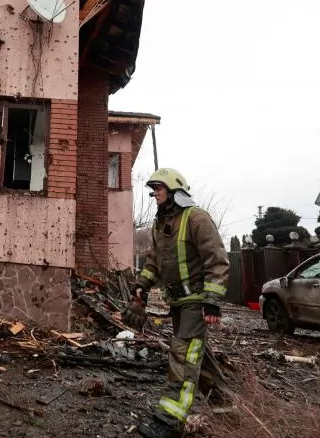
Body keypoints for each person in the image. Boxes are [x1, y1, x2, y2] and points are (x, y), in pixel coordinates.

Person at [122, 167, 230, 438]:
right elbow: (153, 261)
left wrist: (213, 301)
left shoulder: (197, 218)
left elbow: (217, 260)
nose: (154, 194)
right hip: (178, 303)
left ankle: (169, 422)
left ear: (173, 190)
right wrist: (141, 289)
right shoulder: (161, 224)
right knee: (196, 356)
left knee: (182, 355)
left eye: (157, 189)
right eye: (153, 190)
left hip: (197, 302)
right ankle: (227, 408)